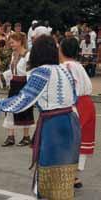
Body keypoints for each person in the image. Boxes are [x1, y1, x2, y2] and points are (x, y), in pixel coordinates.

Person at [0, 35, 80, 200]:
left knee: (50, 171)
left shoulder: (41, 72)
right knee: (64, 172)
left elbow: (23, 100)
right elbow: (74, 96)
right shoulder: (66, 69)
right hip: (71, 122)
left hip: (54, 125)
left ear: (36, 52)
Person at [59, 38, 96, 189]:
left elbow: (66, 89)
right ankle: (74, 176)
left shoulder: (64, 67)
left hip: (75, 105)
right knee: (80, 141)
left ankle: (66, 177)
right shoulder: (78, 66)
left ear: (62, 50)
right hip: (87, 104)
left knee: (67, 140)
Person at [0, 32, 34, 147]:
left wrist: (30, 89)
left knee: (25, 110)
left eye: (12, 41)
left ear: (20, 42)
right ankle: (11, 136)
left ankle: (26, 137)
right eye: (10, 41)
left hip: (24, 84)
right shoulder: (14, 54)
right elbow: (11, 71)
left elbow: (30, 72)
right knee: (10, 109)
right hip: (14, 84)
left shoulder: (28, 55)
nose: (10, 43)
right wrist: (1, 77)